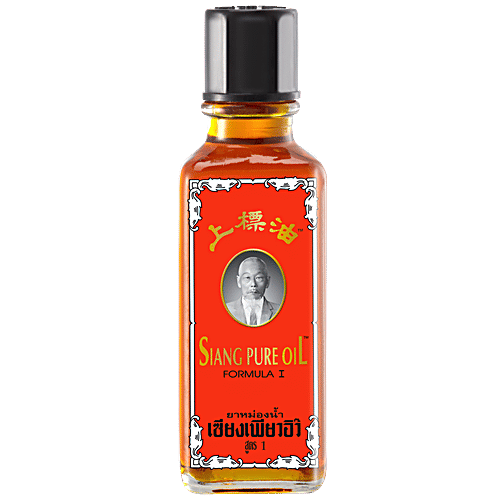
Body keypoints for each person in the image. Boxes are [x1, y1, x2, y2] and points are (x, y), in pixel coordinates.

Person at [226, 257, 281, 326]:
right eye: (247, 277)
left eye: (258, 278)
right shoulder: (226, 310)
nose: (253, 284)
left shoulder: (279, 311)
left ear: (267, 282)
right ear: (238, 281)